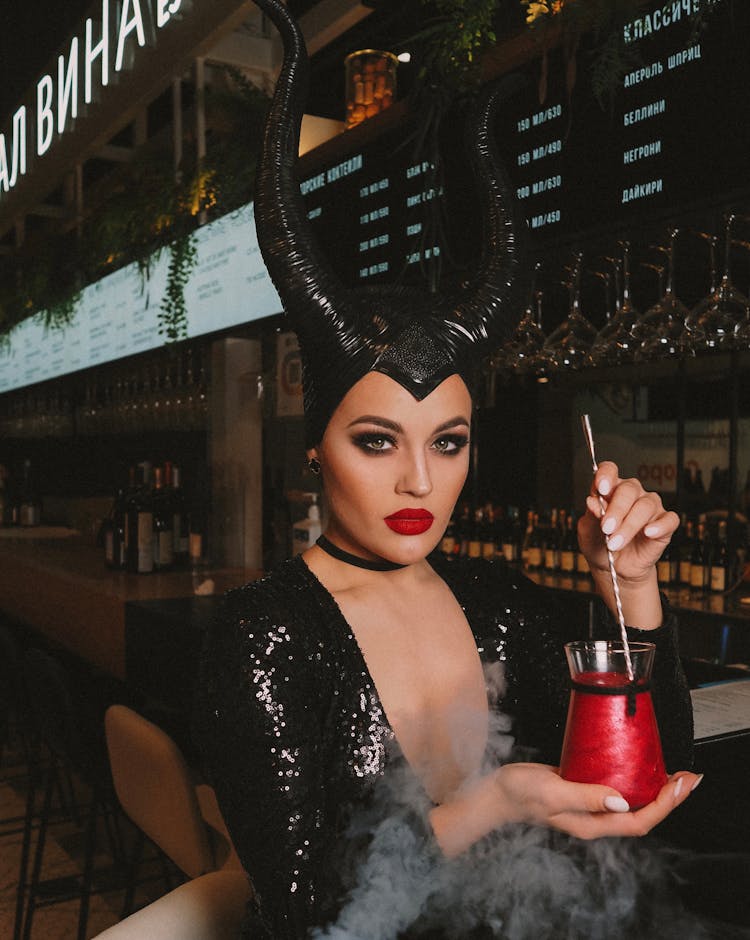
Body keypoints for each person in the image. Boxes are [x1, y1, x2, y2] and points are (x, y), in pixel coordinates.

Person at [196, 1, 698, 936]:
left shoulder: (498, 603)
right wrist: (497, 802)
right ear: (316, 449)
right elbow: (309, 913)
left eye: (450, 442)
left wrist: (630, 587)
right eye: (377, 440)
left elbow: (648, 759)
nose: (421, 483)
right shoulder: (265, 635)